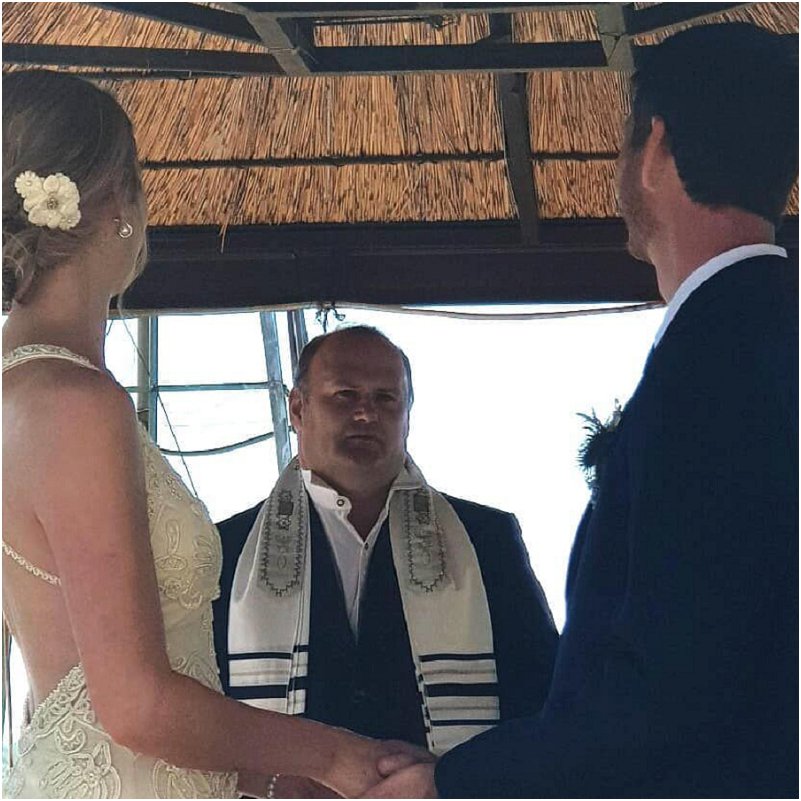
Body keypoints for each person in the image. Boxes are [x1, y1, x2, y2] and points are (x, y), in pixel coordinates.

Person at [368, 22, 799, 798]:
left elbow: (667, 689)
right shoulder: (765, 336)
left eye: (622, 146)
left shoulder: (713, 369)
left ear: (654, 148)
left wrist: (452, 782)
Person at [1, 71, 425, 799]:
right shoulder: (74, 403)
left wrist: (288, 781)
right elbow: (134, 704)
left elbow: (81, 690)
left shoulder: (22, 390)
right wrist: (336, 756)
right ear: (117, 203)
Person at [213, 326, 559, 795]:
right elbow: (194, 719)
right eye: (345, 395)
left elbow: (544, 705)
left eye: (386, 398)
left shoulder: (486, 541)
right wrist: (279, 781)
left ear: (407, 416)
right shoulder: (227, 552)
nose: (365, 413)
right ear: (297, 409)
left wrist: (452, 779)